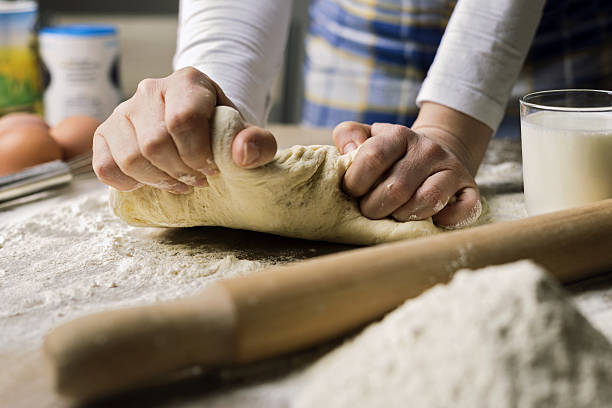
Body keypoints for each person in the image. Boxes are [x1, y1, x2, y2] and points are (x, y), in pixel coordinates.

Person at [92, 0, 610, 229]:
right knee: (331, 184)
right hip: (363, 45)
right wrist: (208, 94)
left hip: (548, 67)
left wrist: (449, 128)